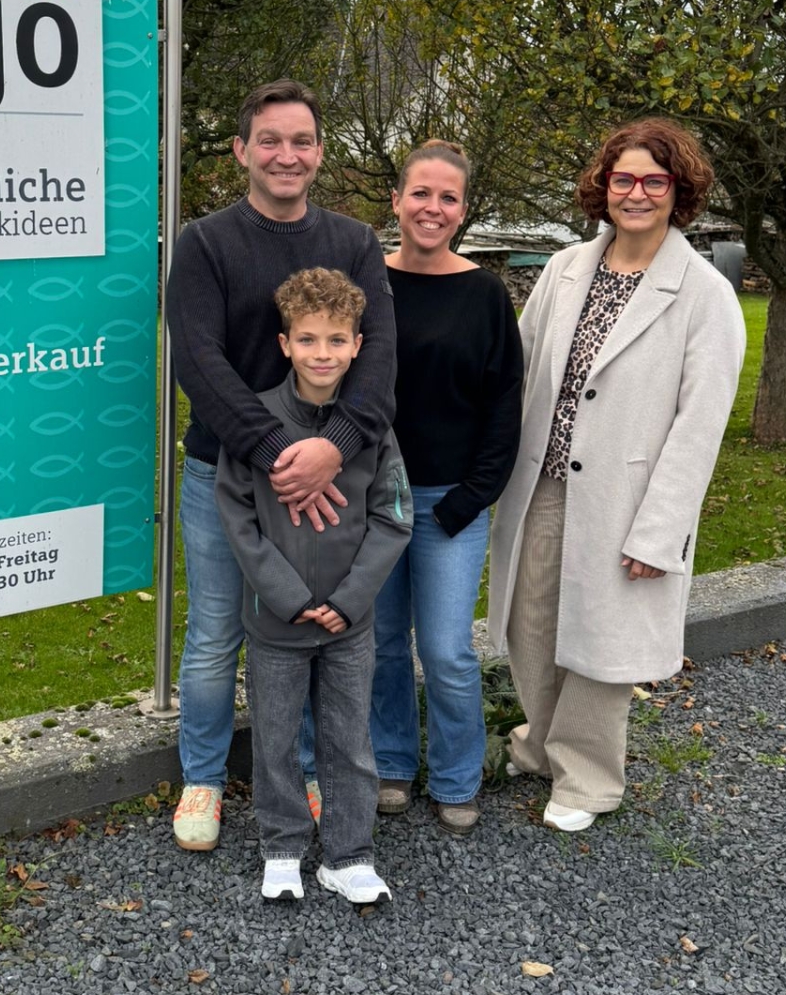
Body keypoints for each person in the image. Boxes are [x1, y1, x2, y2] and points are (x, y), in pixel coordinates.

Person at [486, 117, 745, 832]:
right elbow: (525, 371)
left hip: (626, 496)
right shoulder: (567, 269)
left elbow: (700, 424)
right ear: (603, 187)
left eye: (653, 181)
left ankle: (590, 779)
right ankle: (540, 744)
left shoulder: (702, 293)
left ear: (679, 190)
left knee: (602, 642)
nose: (636, 193)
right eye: (623, 179)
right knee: (529, 620)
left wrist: (659, 532)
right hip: (542, 480)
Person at [165, 80, 396, 852]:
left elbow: (379, 358)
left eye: (301, 141)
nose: (286, 155)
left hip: (335, 481)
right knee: (216, 634)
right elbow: (199, 361)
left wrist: (336, 447)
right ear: (242, 151)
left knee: (308, 624)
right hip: (226, 476)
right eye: (270, 140)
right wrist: (272, 453)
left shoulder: (355, 243)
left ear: (321, 153)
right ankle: (202, 778)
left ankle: (302, 772)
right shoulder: (203, 243)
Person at [216, 269, 411, 904]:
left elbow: (394, 516)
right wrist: (291, 597)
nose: (322, 354)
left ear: (358, 346)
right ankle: (282, 846)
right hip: (278, 624)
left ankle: (350, 854)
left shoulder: (371, 428)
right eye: (308, 340)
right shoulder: (256, 425)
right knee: (274, 738)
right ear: (284, 344)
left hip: (350, 625)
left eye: (336, 340)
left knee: (348, 738)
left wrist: (350, 599)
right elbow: (239, 521)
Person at [369, 140, 523, 833]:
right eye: (421, 193)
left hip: (448, 506)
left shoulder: (486, 294)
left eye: (448, 197)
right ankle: (392, 762)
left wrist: (471, 498)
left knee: (447, 649)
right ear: (396, 200)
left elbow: (505, 409)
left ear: (463, 210)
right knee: (380, 645)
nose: (433, 207)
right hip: (371, 501)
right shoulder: (366, 283)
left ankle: (458, 777)